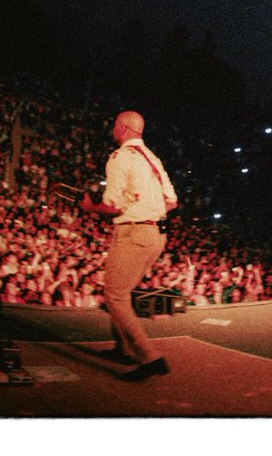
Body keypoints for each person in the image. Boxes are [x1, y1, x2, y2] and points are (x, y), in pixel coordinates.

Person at [97, 110, 178, 382]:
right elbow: (172, 201)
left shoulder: (120, 158)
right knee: (123, 290)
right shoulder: (152, 159)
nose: (112, 129)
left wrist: (88, 206)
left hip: (133, 232)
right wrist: (148, 209)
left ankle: (149, 356)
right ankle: (122, 348)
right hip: (156, 234)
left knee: (114, 296)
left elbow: (111, 205)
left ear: (121, 128)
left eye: (114, 125)